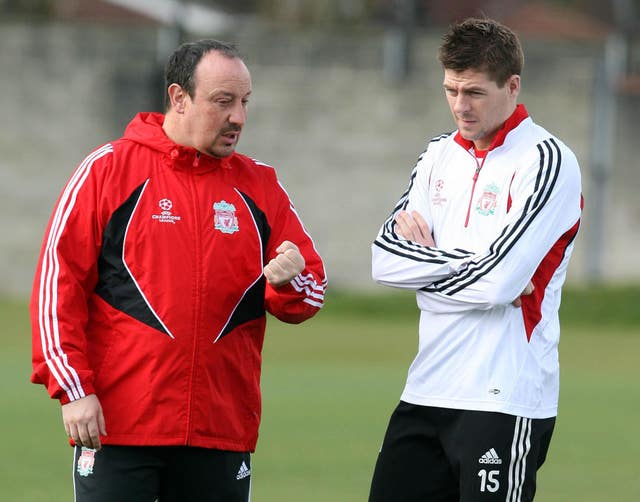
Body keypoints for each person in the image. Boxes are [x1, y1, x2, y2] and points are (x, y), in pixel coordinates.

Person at [30, 39, 327, 501]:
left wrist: (290, 281)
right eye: (223, 101)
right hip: (118, 428)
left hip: (220, 431)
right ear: (179, 98)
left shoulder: (261, 186)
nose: (239, 118)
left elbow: (309, 296)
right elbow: (57, 285)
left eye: (245, 102)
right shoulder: (108, 171)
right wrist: (73, 389)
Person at [368, 18, 582, 502]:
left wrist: (428, 268)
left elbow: (502, 283)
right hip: (426, 389)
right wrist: (479, 266)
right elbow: (383, 260)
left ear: (512, 86)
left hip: (503, 397)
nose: (460, 106)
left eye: (475, 93)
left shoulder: (547, 160)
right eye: (451, 90)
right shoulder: (436, 156)